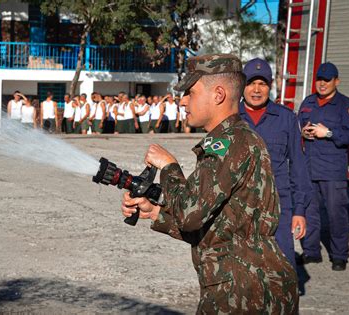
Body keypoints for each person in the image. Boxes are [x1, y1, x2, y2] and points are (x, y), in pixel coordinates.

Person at [121, 54, 298, 313]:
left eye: (190, 93)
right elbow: (215, 227)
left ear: (218, 95)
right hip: (254, 281)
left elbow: (190, 215)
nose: (182, 101)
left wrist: (169, 167)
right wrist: (156, 213)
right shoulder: (236, 138)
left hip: (240, 292)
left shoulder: (228, 144)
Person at [239, 58, 309, 268]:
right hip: (239, 206)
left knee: (282, 265)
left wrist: (299, 211)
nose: (257, 89)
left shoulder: (286, 118)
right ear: (243, 85)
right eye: (252, 83)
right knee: (243, 267)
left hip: (279, 206)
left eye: (263, 84)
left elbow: (298, 166)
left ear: (270, 86)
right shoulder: (230, 118)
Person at [298, 62, 349, 271]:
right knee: (310, 212)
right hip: (309, 168)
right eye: (319, 79)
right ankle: (311, 252)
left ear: (336, 81)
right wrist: (303, 133)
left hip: (333, 171)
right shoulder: (308, 102)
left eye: (327, 80)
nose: (322, 84)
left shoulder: (345, 105)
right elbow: (298, 127)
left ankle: (339, 255)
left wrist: (328, 133)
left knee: (336, 213)